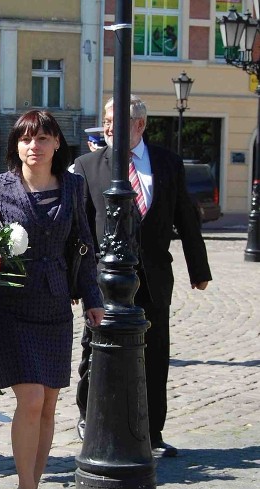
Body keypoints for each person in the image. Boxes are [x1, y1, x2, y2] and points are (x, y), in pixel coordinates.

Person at [0, 110, 104, 489]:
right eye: (27, 138)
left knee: (49, 406)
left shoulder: (73, 186)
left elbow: (84, 244)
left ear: (56, 145)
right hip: (8, 305)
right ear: (17, 145)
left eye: (44, 138)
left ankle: (30, 483)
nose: (35, 146)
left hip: (53, 306)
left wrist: (93, 297)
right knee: (30, 399)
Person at [73, 95, 211, 457]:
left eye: (114, 121)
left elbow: (186, 217)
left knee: (155, 355)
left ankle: (152, 432)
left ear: (140, 125)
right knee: (95, 351)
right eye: (105, 120)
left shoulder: (167, 163)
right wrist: (77, 278)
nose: (106, 127)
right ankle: (90, 417)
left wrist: (199, 269)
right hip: (104, 280)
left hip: (152, 278)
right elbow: (82, 229)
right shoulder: (88, 165)